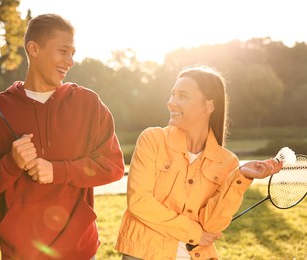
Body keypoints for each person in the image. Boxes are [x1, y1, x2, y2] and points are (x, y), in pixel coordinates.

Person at [0, 14, 125, 259]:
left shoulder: (88, 103)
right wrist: (11, 163)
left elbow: (112, 166)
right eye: (63, 51)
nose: (70, 61)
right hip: (22, 252)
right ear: (34, 48)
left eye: (73, 53)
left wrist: (58, 171)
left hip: (79, 249)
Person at [115, 65, 283, 260]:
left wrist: (241, 177)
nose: (171, 103)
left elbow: (211, 225)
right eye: (172, 94)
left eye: (182, 96)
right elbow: (139, 202)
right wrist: (193, 233)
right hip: (144, 254)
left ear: (208, 106)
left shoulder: (228, 162)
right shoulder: (153, 139)